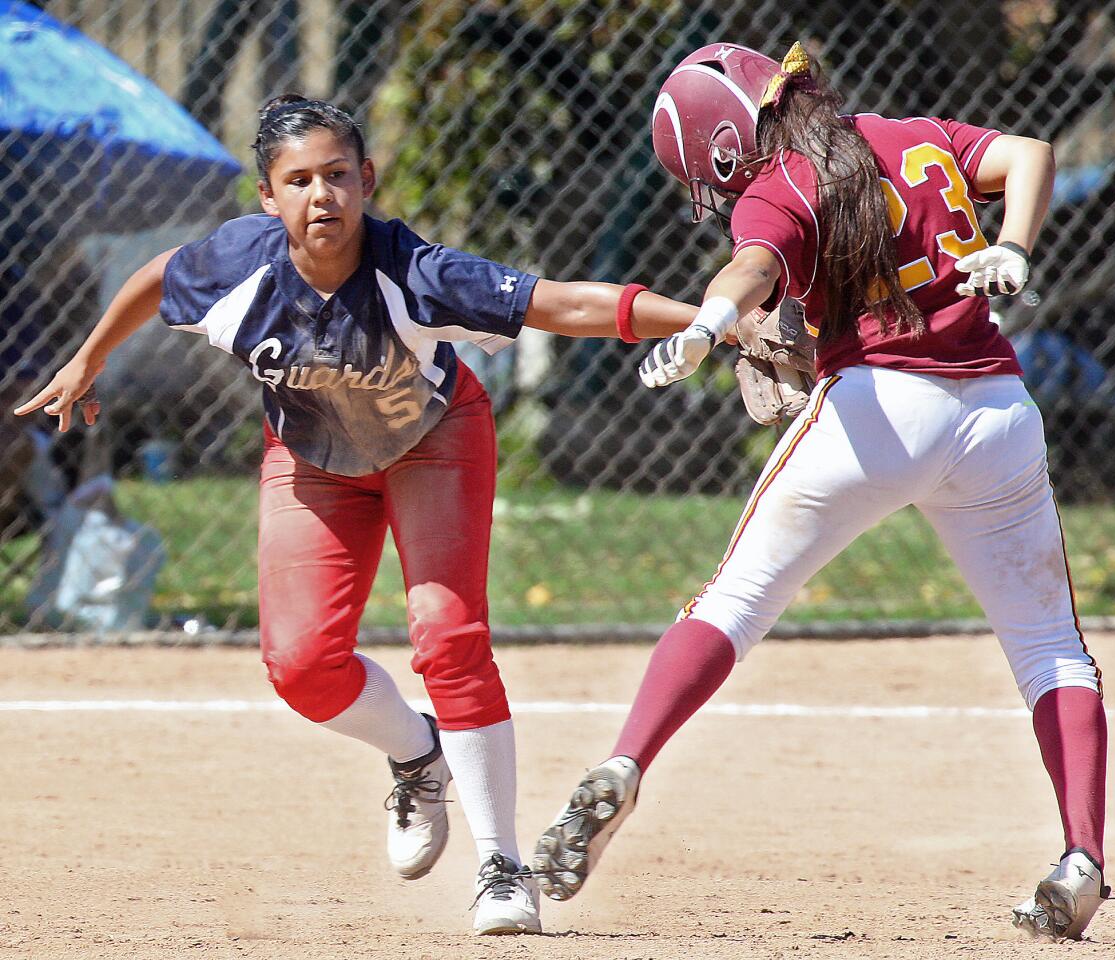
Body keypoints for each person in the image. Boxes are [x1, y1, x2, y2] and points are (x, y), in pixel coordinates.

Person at [14, 94, 697, 936]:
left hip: (434, 441)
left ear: (366, 180)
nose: (321, 196)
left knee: (448, 638)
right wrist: (89, 357)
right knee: (300, 666)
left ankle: (500, 867)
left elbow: (567, 305)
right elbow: (161, 276)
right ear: (268, 198)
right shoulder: (237, 265)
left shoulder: (414, 272)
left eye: (338, 175)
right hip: (314, 460)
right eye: (297, 181)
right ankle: (419, 752)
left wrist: (711, 322)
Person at [531, 41, 1110, 943]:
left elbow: (751, 269)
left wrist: (706, 329)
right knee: (1050, 650)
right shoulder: (908, 134)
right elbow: (1030, 151)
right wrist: (1012, 246)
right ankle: (1083, 858)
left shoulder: (779, 185)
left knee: (734, 601)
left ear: (725, 148)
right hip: (1000, 412)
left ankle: (624, 762)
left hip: (880, 411)